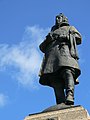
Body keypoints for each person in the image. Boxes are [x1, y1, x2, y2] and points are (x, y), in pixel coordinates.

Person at [39, 13, 82, 105]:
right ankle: (60, 102)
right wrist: (48, 40)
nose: (58, 19)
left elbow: (78, 38)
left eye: (60, 18)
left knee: (68, 72)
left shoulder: (70, 28)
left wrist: (66, 37)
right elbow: (42, 47)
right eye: (57, 18)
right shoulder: (51, 33)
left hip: (65, 54)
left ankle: (70, 95)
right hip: (52, 59)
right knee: (54, 79)